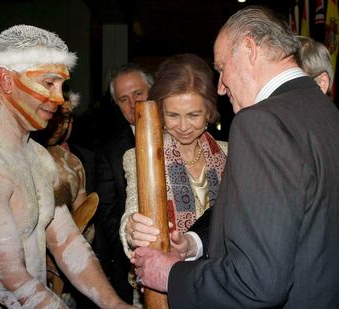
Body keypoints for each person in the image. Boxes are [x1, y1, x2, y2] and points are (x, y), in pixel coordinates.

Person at [131, 6, 339, 308]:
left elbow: (257, 282)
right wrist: (194, 242)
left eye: (221, 68)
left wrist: (171, 274)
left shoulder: (261, 122)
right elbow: (279, 212)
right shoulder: (325, 112)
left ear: (249, 49)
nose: (220, 86)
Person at [0, 24, 134, 309]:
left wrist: (115, 305)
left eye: (62, 85)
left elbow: (68, 244)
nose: (60, 98)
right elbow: (12, 287)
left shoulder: (37, 156)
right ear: (7, 81)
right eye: (49, 83)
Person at [120, 53, 227, 265]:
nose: (184, 126)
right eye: (173, 116)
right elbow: (133, 208)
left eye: (194, 115)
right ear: (160, 113)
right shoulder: (142, 156)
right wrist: (131, 230)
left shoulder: (230, 154)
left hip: (222, 278)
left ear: (209, 113)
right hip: (166, 283)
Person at [92, 63, 153, 304]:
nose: (132, 105)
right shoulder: (109, 151)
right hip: (132, 264)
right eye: (123, 99)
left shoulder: (180, 131)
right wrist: (138, 251)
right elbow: (108, 214)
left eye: (138, 94)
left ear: (152, 90)